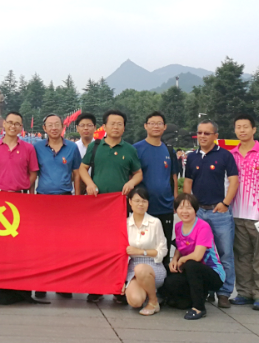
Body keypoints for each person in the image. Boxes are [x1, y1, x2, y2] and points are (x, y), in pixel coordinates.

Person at [79, 109, 143, 303]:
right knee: (96, 247)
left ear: (124, 127)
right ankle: (96, 288)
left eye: (120, 124)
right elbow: (82, 169)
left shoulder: (129, 149)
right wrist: (89, 184)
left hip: (119, 207)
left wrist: (131, 183)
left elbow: (138, 173)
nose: (116, 127)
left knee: (118, 248)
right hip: (97, 206)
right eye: (112, 123)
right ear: (104, 127)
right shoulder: (96, 146)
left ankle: (117, 288)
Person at [183, 120, 238, 308]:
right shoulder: (192, 157)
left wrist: (225, 203)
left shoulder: (225, 156)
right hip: (199, 213)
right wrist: (189, 207)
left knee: (225, 253)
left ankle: (224, 292)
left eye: (207, 133)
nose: (202, 136)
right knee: (202, 253)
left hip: (219, 212)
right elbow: (188, 182)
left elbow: (234, 181)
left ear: (216, 136)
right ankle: (207, 289)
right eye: (199, 133)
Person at [229, 114, 259, 311]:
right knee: (242, 256)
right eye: (238, 127)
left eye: (245, 127)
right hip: (236, 214)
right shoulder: (231, 155)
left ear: (254, 129)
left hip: (258, 215)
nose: (242, 130)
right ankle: (244, 292)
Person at [33, 114, 82, 298]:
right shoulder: (37, 147)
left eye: (57, 124)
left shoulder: (72, 148)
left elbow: (77, 174)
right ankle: (41, 284)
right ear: (44, 128)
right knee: (42, 244)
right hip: (43, 200)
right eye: (50, 125)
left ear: (63, 127)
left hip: (65, 200)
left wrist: (77, 198)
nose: (54, 128)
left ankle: (63, 284)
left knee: (64, 244)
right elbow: (32, 173)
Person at [160, 193, 226, 320]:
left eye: (188, 208)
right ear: (176, 210)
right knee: (169, 278)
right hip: (191, 271)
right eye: (181, 207)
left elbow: (197, 256)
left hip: (213, 273)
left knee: (191, 265)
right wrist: (174, 259)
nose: (184, 211)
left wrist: (182, 260)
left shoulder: (203, 226)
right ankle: (189, 299)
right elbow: (180, 246)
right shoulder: (178, 226)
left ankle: (199, 308)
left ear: (195, 210)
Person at [133, 111, 178, 268]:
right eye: (152, 123)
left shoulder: (169, 150)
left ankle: (163, 278)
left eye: (159, 123)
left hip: (165, 206)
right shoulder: (136, 149)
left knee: (163, 245)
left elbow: (173, 176)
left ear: (165, 127)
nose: (155, 126)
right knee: (143, 244)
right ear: (145, 126)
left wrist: (175, 200)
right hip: (144, 207)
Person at [124, 187, 167, 315]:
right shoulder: (125, 224)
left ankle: (153, 301)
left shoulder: (155, 222)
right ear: (130, 202)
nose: (140, 204)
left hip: (153, 265)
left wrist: (141, 252)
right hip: (133, 267)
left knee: (141, 269)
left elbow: (163, 250)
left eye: (144, 201)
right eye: (137, 201)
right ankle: (147, 293)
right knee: (135, 301)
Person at [0, 111, 39, 193]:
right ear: (4, 123)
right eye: (10, 122)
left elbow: (33, 173)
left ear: (21, 127)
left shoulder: (29, 148)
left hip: (21, 194)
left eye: (17, 124)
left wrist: (25, 186)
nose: (13, 126)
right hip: (0, 194)